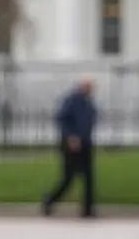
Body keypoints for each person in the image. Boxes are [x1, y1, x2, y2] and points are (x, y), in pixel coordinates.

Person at [42, 79, 98, 218]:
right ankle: (49, 200)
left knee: (89, 177)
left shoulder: (88, 102)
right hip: (72, 144)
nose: (90, 89)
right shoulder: (71, 100)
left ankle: (87, 209)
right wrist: (71, 137)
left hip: (85, 143)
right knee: (69, 178)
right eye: (88, 86)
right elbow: (62, 119)